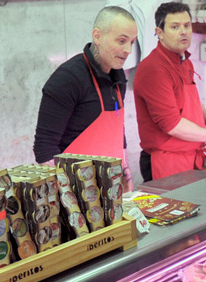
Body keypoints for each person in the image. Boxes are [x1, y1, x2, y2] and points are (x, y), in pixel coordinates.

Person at [32, 6, 138, 187]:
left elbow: (117, 130)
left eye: (132, 42)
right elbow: (44, 148)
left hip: (110, 188)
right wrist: (68, 199)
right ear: (97, 36)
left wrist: (125, 171)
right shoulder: (68, 78)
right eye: (121, 41)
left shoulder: (118, 76)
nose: (128, 49)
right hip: (74, 192)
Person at [133, 2, 206, 181]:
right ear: (160, 33)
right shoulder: (153, 68)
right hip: (165, 161)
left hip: (191, 157)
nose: (183, 31)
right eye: (175, 27)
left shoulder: (185, 61)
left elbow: (190, 102)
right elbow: (171, 124)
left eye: (187, 25)